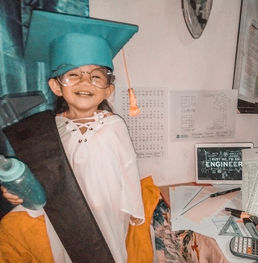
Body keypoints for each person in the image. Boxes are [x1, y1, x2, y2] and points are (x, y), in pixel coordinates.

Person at [1, 10, 148, 263]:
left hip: (111, 214)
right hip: (66, 218)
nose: (85, 82)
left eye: (96, 76)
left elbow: (128, 165)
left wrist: (135, 209)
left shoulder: (114, 125)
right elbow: (42, 181)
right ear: (56, 86)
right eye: (73, 74)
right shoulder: (49, 132)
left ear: (108, 90)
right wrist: (21, 194)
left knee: (111, 254)